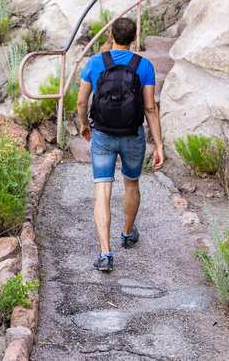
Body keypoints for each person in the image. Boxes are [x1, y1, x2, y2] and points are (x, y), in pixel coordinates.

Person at [77, 17, 165, 272]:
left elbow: (82, 102)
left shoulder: (95, 62)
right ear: (134, 38)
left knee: (102, 192)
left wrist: (85, 125)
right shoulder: (144, 65)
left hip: (102, 134)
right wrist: (158, 144)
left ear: (111, 36)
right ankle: (127, 234)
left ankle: (105, 253)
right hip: (132, 135)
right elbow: (150, 107)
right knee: (131, 183)